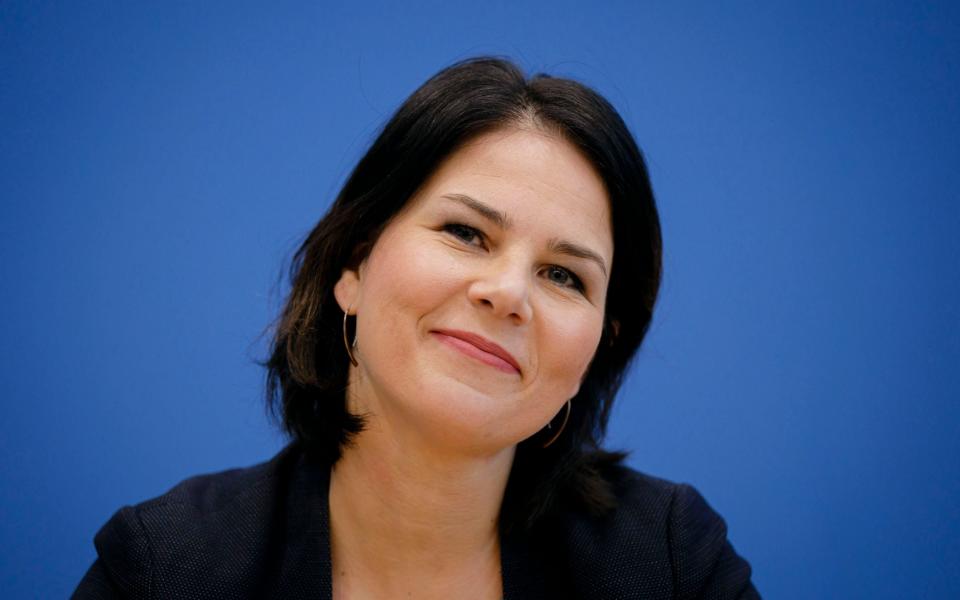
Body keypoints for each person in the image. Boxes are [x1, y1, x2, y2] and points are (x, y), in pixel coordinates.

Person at [74, 57, 759, 599]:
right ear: (354, 260)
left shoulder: (671, 564)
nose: (508, 294)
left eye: (564, 277)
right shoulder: (167, 567)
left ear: (598, 349)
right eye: (465, 232)